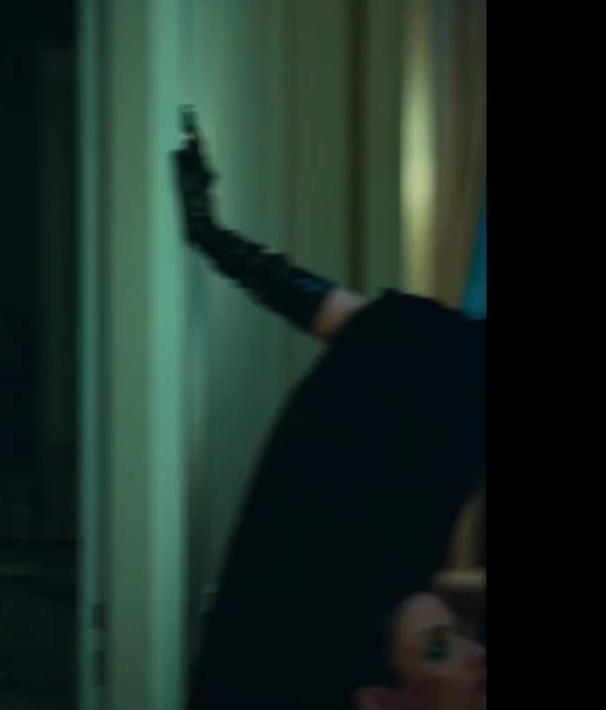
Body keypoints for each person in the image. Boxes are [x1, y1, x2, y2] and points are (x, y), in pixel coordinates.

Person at [171, 120, 486, 710]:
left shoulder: (437, 364)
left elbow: (348, 320)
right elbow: (355, 323)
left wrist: (212, 236)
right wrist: (211, 235)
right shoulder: (443, 365)